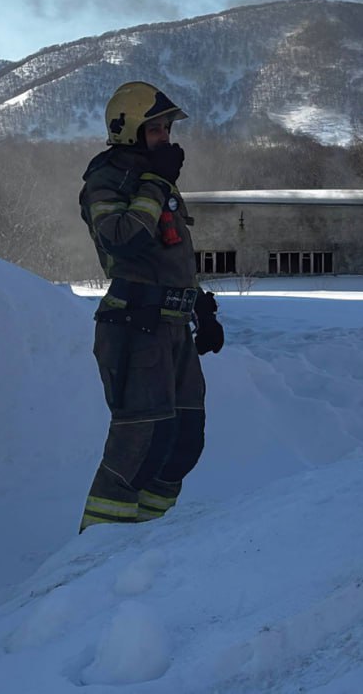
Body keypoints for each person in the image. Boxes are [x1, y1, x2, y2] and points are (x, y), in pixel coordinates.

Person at [76, 81, 225, 531]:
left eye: (166, 129)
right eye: (157, 129)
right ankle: (95, 554)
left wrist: (200, 307)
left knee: (183, 441)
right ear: (130, 130)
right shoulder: (106, 180)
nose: (166, 138)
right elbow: (123, 237)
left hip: (173, 328)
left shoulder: (157, 183)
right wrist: (156, 182)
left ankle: (147, 542)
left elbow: (172, 253)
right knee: (141, 441)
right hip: (134, 326)